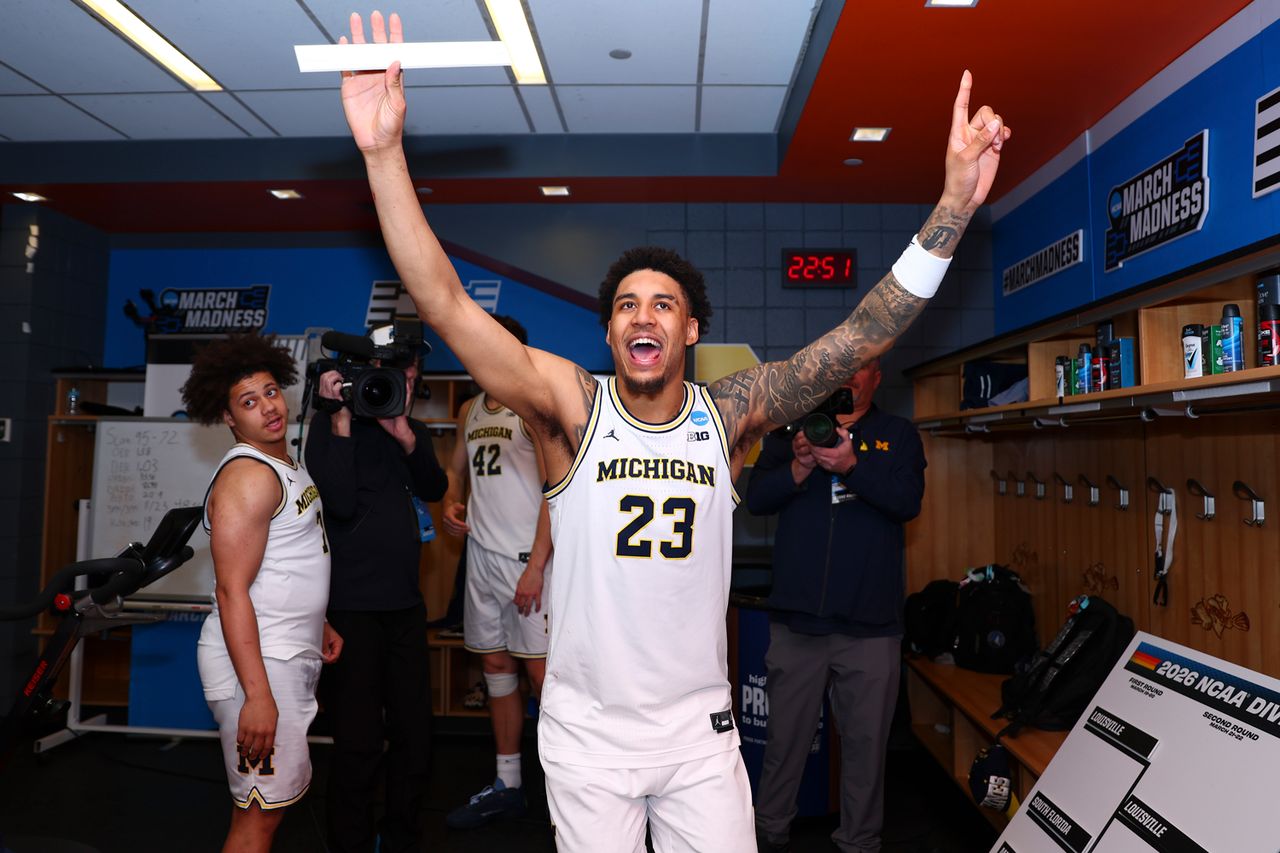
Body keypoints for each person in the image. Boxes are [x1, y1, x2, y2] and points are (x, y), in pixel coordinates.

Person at [336, 12, 1009, 849]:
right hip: (587, 738)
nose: (642, 315)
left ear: (689, 331)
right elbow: (444, 301)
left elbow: (862, 334)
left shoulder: (727, 414)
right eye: (624, 305)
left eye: (663, 303)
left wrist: (950, 207)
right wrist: (382, 155)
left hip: (699, 739)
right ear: (611, 335)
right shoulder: (571, 410)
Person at [746, 358, 925, 853]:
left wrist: (851, 465)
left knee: (867, 750)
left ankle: (859, 843)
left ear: (876, 377)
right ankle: (768, 833)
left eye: (861, 367)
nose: (848, 376)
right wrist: (800, 465)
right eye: (840, 366)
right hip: (799, 624)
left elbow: (907, 502)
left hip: (871, 628)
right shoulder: (790, 432)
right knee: (784, 744)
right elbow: (755, 498)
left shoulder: (898, 434)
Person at [181, 334, 343, 853]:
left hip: (281, 652)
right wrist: (257, 696)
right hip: (257, 666)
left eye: (270, 392)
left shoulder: (284, 465)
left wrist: (317, 619)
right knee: (258, 819)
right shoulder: (248, 476)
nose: (268, 407)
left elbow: (287, 559)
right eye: (248, 402)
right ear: (229, 418)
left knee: (266, 809)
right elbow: (231, 590)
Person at [304, 323, 448, 853]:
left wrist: (407, 436)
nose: (402, 387)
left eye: (411, 379)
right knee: (359, 743)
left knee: (415, 736)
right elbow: (337, 503)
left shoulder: (409, 431)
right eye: (394, 377)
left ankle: (402, 836)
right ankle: (351, 842)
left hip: (406, 607)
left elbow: (435, 486)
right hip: (352, 612)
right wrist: (340, 417)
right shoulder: (330, 427)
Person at [439, 314, 553, 829]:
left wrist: (536, 565)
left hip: (529, 563)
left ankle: (568, 787)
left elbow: (558, 493)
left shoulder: (534, 410)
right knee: (497, 669)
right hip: (481, 562)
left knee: (543, 676)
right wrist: (452, 498)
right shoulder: (469, 408)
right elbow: (455, 470)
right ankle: (509, 782)